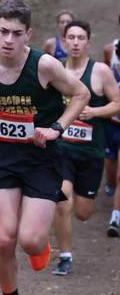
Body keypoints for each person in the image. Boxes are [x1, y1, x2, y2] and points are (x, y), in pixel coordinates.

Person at [0, 0, 89, 295]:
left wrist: (57, 128)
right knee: (4, 236)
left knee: (30, 240)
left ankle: (39, 247)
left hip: (41, 158)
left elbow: (81, 94)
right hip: (3, 156)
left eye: (17, 33)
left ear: (28, 35)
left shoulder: (44, 65)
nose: (8, 40)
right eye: (3, 31)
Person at [50, 20, 120, 275]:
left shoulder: (100, 71)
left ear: (88, 43)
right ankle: (64, 256)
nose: (76, 42)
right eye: (71, 37)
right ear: (64, 41)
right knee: (62, 199)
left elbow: (118, 103)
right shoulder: (54, 70)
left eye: (81, 38)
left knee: (82, 213)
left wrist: (95, 111)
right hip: (62, 149)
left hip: (91, 153)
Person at [101, 13, 120, 235]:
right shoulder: (110, 49)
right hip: (112, 119)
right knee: (111, 164)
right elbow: (106, 77)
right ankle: (110, 185)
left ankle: (115, 218)